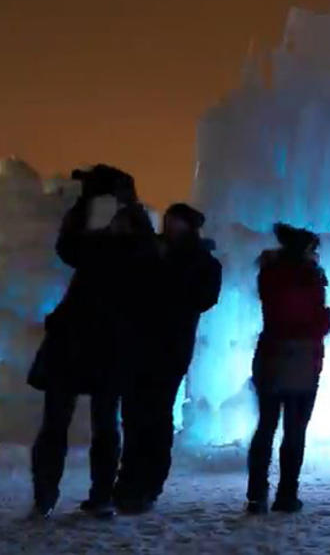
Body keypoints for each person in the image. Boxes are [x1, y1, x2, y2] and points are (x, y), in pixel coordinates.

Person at [27, 164, 158, 519]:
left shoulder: (114, 244)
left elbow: (69, 247)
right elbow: (70, 247)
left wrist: (98, 202)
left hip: (86, 341)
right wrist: (118, 203)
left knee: (75, 423)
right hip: (98, 342)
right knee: (93, 423)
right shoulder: (120, 243)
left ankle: (54, 496)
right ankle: (86, 496)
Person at [114, 203, 222, 514]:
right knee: (134, 417)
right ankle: (127, 482)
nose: (170, 227)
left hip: (170, 349)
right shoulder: (150, 253)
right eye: (168, 221)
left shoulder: (203, 262)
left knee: (156, 417)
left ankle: (149, 484)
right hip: (139, 346)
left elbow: (203, 299)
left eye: (176, 222)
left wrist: (171, 269)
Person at [246, 223, 330, 515]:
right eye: (314, 249)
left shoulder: (271, 273)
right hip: (300, 361)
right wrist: (328, 320)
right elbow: (304, 320)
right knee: (294, 431)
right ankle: (286, 495)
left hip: (270, 358)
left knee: (266, 426)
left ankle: (257, 493)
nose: (317, 255)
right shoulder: (305, 278)